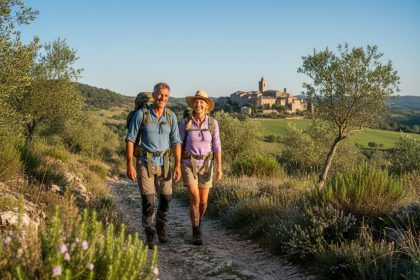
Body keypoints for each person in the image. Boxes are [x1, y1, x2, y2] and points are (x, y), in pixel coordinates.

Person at [126, 82, 181, 249]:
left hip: (165, 163)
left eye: (165, 96)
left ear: (168, 98)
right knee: (148, 200)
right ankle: (149, 231)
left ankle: (160, 225)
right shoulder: (141, 115)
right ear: (153, 94)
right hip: (145, 162)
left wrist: (177, 165)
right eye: (159, 94)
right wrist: (130, 164)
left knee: (166, 198)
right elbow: (130, 139)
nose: (162, 98)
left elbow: (176, 141)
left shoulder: (171, 116)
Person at [179, 90, 222, 245]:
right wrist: (176, 165)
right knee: (195, 199)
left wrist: (219, 167)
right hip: (188, 164)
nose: (198, 104)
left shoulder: (212, 124)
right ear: (193, 105)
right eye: (196, 102)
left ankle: (199, 220)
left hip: (206, 165)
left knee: (203, 202)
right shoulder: (185, 123)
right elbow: (178, 145)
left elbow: (217, 146)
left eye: (201, 102)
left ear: (206, 106)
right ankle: (196, 229)